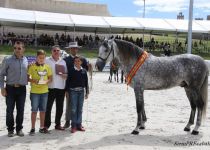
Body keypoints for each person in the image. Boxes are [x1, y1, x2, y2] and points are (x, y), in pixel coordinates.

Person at [0, 41, 28, 137]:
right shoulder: (7, 60)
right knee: (9, 110)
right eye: (15, 48)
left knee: (21, 110)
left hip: (22, 89)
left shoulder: (26, 60)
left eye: (19, 48)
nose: (17, 50)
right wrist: (2, 88)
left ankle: (19, 129)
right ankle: (10, 130)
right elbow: (1, 74)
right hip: (10, 89)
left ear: (23, 49)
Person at [63, 41, 89, 128]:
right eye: (72, 48)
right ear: (70, 49)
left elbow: (85, 70)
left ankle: (77, 122)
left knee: (78, 106)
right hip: (69, 84)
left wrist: (90, 67)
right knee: (69, 104)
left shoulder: (82, 59)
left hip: (79, 85)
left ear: (77, 49)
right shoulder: (65, 60)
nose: (74, 49)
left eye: (75, 48)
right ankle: (67, 120)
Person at [28, 50, 52, 135]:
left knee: (43, 111)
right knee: (34, 110)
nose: (41, 59)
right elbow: (27, 78)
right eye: (39, 58)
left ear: (45, 58)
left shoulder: (47, 67)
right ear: (36, 57)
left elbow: (50, 78)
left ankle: (42, 127)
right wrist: (33, 80)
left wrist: (46, 81)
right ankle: (32, 128)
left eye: (43, 58)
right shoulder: (32, 66)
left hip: (45, 92)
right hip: (34, 92)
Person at [44, 45, 67, 130]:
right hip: (50, 87)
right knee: (48, 107)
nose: (56, 52)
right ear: (51, 52)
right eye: (55, 50)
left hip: (61, 87)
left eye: (58, 50)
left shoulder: (63, 62)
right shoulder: (46, 61)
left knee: (60, 107)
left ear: (60, 52)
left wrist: (64, 75)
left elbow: (66, 75)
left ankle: (58, 124)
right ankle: (46, 125)